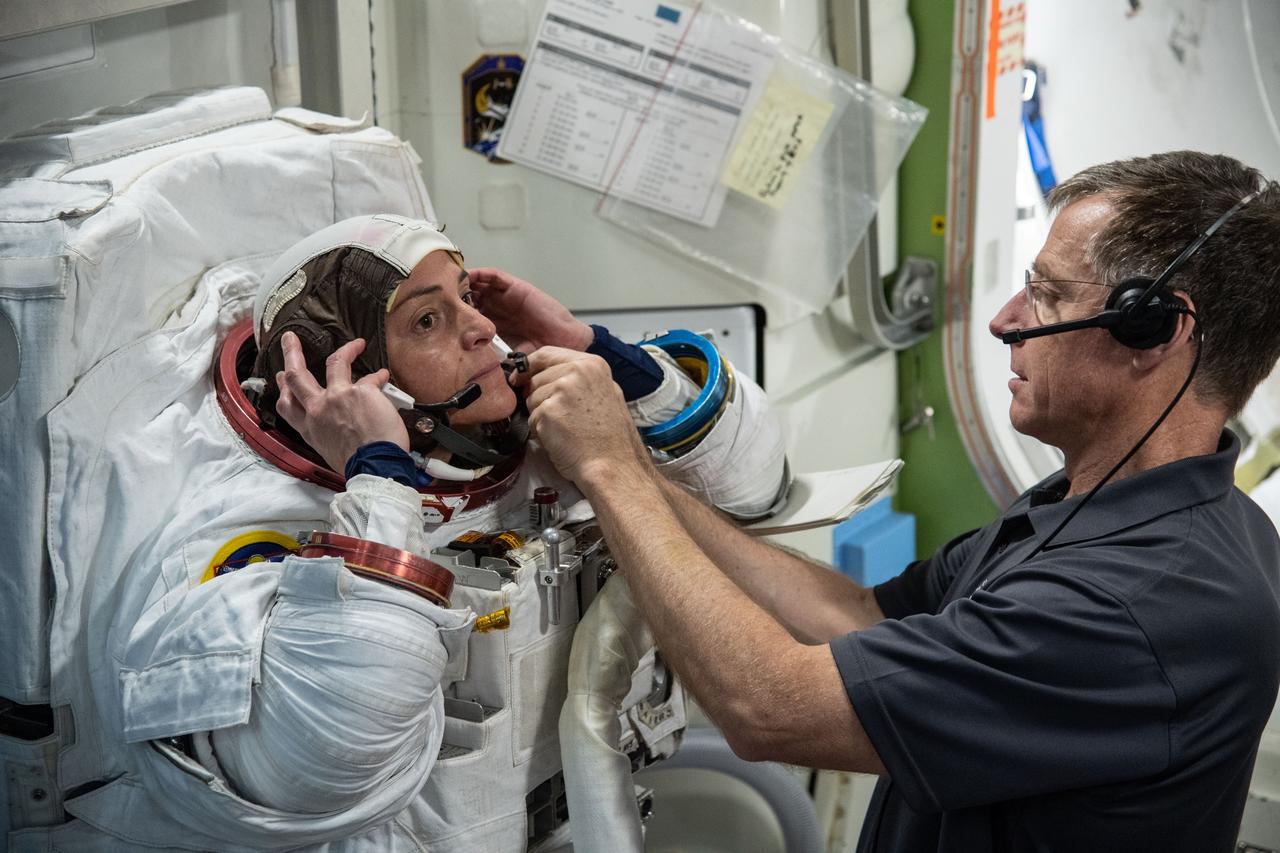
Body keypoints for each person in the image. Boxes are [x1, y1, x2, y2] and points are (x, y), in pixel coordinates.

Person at [517, 150, 1280, 852]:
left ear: (1154, 327)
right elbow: (858, 615)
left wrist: (612, 470)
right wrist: (631, 464)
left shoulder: (1138, 606)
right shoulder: (1099, 499)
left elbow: (767, 707)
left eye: (1047, 295)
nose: (1005, 320)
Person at [36, 214, 788, 851]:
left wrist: (596, 352)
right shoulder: (251, 531)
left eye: (467, 299)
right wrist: (378, 472)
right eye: (430, 320)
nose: (484, 329)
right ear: (346, 373)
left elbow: (753, 494)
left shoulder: (539, 447)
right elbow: (324, 758)